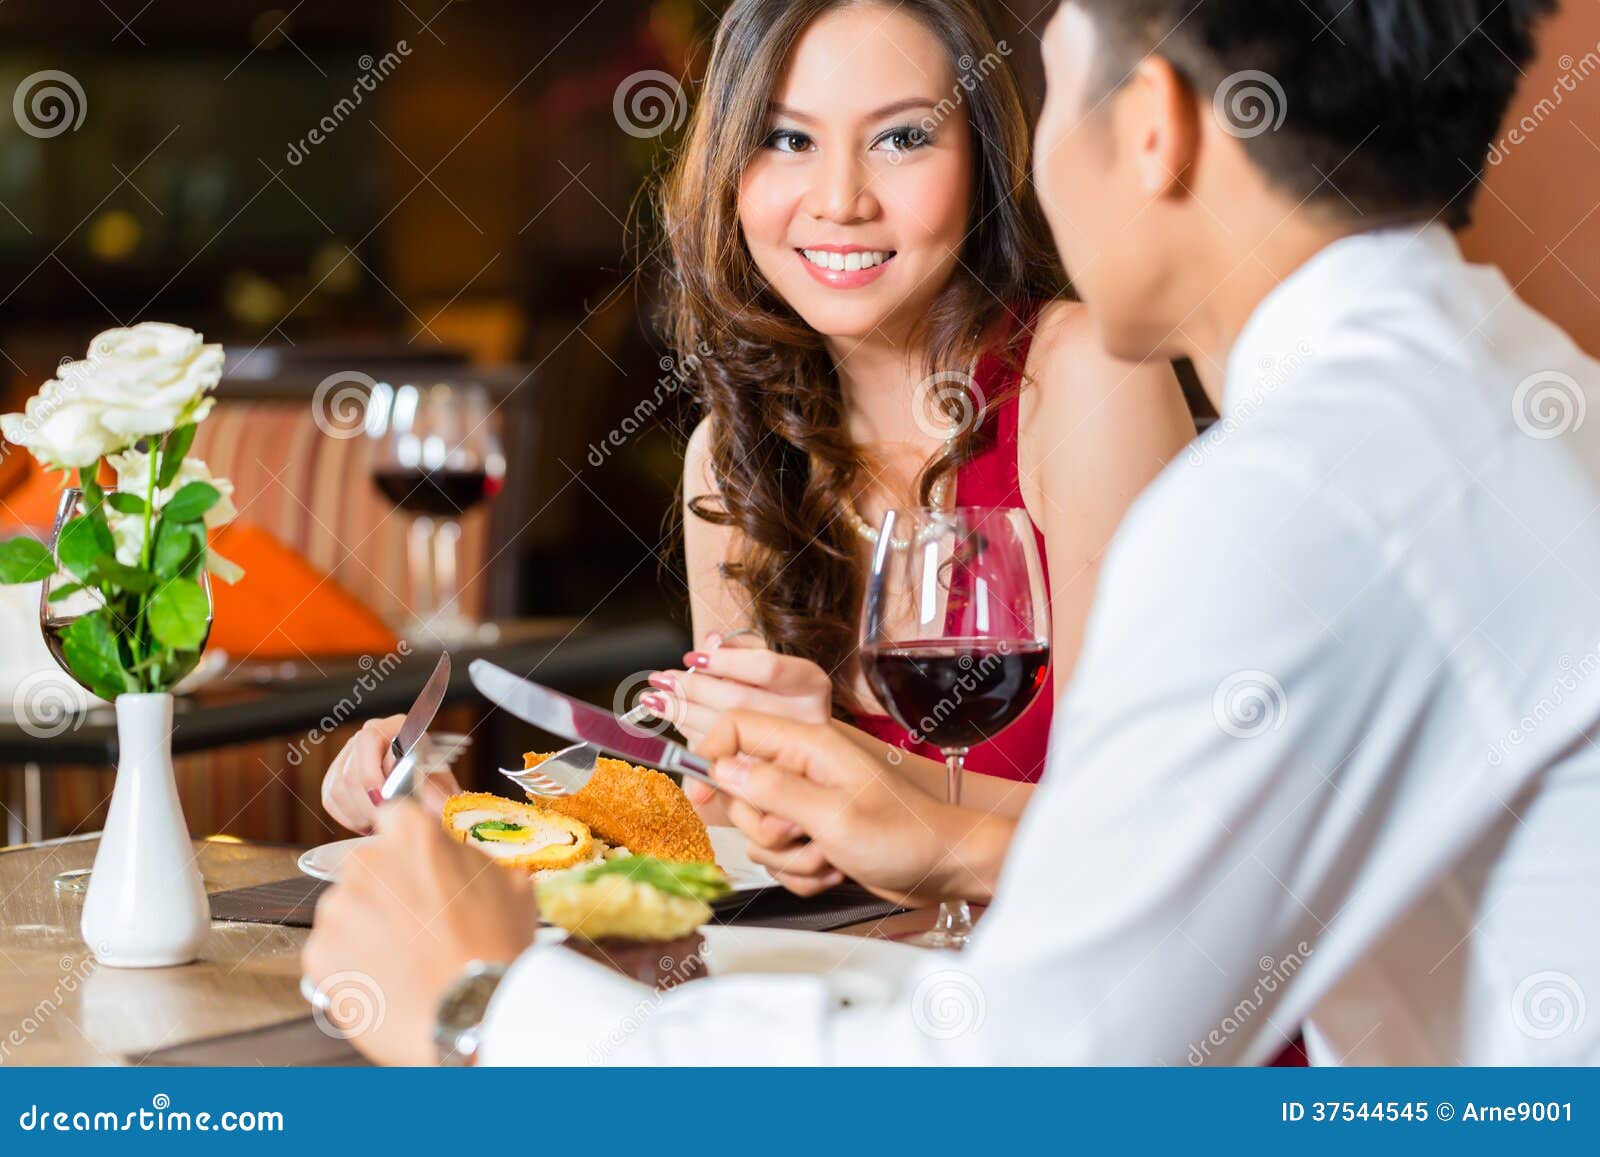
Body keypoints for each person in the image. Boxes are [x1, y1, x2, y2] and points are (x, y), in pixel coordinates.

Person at [304, 0, 1600, 1065]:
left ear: (1148, 127)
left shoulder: (1297, 501)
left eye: (1055, 77)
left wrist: (483, 1008)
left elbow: (1037, 1069)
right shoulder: (1500, 393)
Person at [315, 0, 1195, 850]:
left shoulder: (1084, 379)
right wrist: (470, 822)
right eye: (788, 139)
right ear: (731, 168)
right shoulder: (731, 460)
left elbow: (1146, 823)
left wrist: (839, 771)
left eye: (902, 137)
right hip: (830, 981)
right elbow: (741, 821)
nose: (841, 199)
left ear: (984, 157)